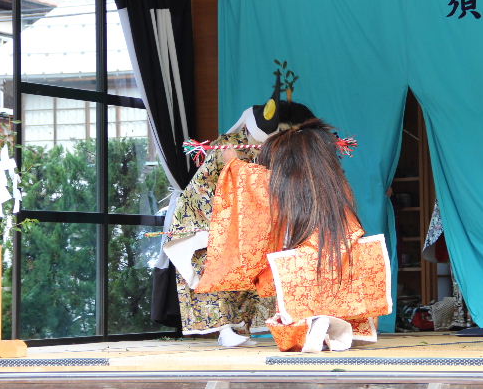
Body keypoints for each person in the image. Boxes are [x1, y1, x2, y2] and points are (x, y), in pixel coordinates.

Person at [195, 118, 391, 352]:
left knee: (298, 321)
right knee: (340, 304)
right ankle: (335, 327)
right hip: (345, 260)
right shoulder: (336, 183)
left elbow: (253, 181)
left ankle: (316, 325)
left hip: (302, 264)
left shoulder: (282, 184)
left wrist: (233, 161)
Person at [163, 71, 315, 346]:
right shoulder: (229, 146)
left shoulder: (271, 150)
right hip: (208, 216)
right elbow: (210, 186)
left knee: (251, 271)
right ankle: (224, 329)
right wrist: (236, 169)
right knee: (214, 273)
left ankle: (240, 328)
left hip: (246, 221)